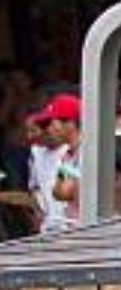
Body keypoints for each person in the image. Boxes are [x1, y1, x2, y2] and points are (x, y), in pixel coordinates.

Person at [33, 92, 81, 225]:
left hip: (91, 230)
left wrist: (62, 184)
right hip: (72, 227)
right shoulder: (67, 154)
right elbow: (58, 192)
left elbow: (65, 192)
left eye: (53, 123)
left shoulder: (87, 151)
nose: (49, 129)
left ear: (69, 123)